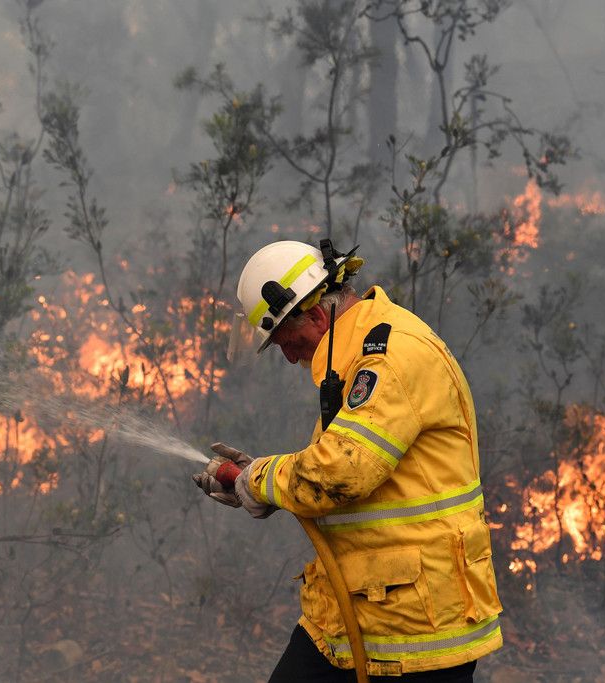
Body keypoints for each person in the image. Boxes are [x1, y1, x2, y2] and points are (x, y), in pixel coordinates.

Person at [194, 240, 502, 682]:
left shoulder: (392, 356)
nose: (290, 356)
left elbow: (343, 470)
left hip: (415, 630)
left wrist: (257, 479)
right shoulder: (362, 354)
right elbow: (343, 472)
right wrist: (259, 485)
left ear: (317, 317)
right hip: (356, 613)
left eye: (287, 341)